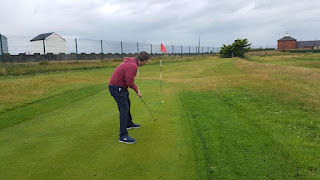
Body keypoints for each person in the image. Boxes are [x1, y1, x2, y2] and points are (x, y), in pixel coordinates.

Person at [108, 51, 150, 144]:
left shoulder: (133, 62)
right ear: (144, 60)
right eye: (146, 62)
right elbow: (129, 82)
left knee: (128, 104)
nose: (146, 63)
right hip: (116, 88)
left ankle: (128, 123)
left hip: (121, 87)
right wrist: (137, 90)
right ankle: (123, 136)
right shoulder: (133, 66)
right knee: (124, 109)